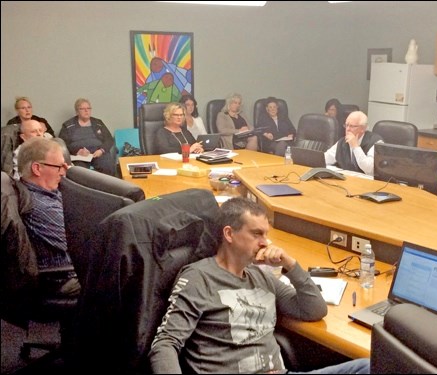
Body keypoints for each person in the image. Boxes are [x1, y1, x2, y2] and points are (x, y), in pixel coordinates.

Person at [149, 197, 370, 374]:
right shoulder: (199, 278)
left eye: (266, 235)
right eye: (256, 234)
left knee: (369, 366)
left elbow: (314, 310)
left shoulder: (261, 276)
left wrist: (290, 265)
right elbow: (165, 345)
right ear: (229, 234)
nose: (265, 242)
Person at [17, 137, 80, 297]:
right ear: (37, 169)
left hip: (74, 266)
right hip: (66, 278)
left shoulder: (45, 191)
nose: (64, 171)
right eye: (59, 166)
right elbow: (82, 244)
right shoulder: (40, 206)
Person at [59, 98, 116, 176]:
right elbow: (62, 144)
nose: (86, 111)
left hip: (98, 153)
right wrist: (77, 151)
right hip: (79, 156)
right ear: (77, 111)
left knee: (108, 166)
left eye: (88, 108)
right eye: (82, 109)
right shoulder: (68, 125)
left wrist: (101, 150)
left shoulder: (98, 123)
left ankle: (107, 188)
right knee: (80, 173)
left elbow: (109, 139)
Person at [324, 111, 383, 176]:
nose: (348, 129)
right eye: (346, 125)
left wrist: (355, 146)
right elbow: (325, 159)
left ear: (363, 128)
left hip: (367, 183)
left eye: (352, 126)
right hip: (347, 180)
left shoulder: (376, 142)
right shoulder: (342, 142)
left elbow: (370, 169)